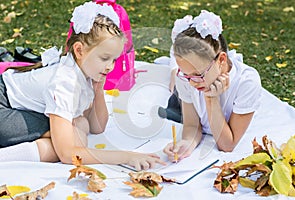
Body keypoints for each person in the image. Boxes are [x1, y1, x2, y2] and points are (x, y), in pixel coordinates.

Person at [0, 1, 165, 171]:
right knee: (69, 140)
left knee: (80, 127)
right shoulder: (65, 83)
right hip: (3, 108)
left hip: (13, 107)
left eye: (114, 60)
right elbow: (67, 155)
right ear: (79, 51)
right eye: (104, 58)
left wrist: (98, 90)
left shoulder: (85, 72)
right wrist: (126, 156)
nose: (110, 66)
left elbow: (97, 127)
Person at [163, 10, 262, 162]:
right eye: (186, 75)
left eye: (199, 74)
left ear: (221, 59)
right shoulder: (186, 78)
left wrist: (211, 99)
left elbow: (227, 145)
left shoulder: (246, 83)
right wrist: (187, 144)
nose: (192, 82)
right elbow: (192, 125)